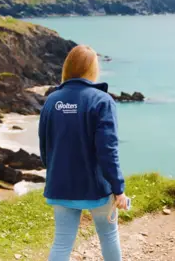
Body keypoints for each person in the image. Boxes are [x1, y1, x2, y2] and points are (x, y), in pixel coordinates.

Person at [39, 44, 128, 261]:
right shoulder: (102, 100)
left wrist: (54, 172)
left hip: (61, 185)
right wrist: (119, 189)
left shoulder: (52, 100)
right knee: (108, 235)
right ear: (92, 70)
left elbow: (44, 145)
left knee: (61, 242)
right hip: (96, 187)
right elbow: (107, 150)